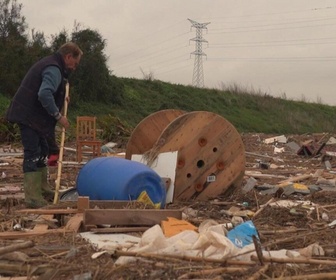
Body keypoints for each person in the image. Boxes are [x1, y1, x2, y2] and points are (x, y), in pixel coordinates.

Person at [6, 42, 83, 208]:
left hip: (35, 118)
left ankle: (42, 188)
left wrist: (62, 98)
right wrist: (59, 116)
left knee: (43, 151)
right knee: (33, 153)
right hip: (29, 116)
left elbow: (50, 91)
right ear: (68, 57)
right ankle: (33, 197)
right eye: (74, 63)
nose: (74, 68)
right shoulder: (54, 68)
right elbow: (44, 93)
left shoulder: (53, 66)